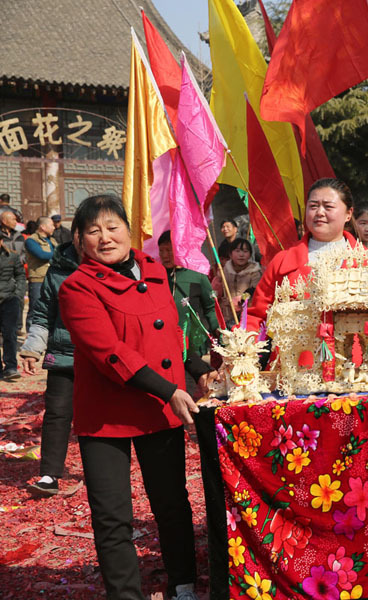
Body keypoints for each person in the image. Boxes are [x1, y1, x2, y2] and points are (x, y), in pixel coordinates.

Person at [58, 195, 212, 600]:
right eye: (93, 231)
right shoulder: (77, 288)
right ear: (80, 240)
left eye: (113, 227)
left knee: (171, 503)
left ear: (130, 229)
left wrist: (199, 369)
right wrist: (171, 390)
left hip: (159, 408)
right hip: (108, 414)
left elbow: (172, 338)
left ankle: (183, 584)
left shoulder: (157, 272)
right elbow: (111, 353)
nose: (105, 238)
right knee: (113, 517)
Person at [247, 178, 358, 333]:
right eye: (313, 206)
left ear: (348, 213)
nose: (319, 212)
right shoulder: (282, 262)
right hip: (294, 356)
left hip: (354, 354)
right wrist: (242, 344)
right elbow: (257, 316)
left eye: (328, 206)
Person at [19, 238, 80, 496]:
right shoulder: (57, 272)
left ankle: (101, 471)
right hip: (62, 355)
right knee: (56, 414)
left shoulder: (115, 270)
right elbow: (43, 313)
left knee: (100, 417)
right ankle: (49, 475)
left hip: (102, 359)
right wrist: (32, 349)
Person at [157, 231, 220, 365]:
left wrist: (219, 330)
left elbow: (210, 308)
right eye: (161, 251)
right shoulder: (156, 277)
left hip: (191, 342)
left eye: (169, 250)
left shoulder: (197, 276)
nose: (164, 255)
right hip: (163, 342)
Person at [212, 237, 263, 317]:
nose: (241, 255)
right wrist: (218, 279)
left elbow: (256, 293)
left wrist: (239, 299)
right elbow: (217, 293)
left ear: (250, 255)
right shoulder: (225, 269)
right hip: (227, 314)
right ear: (230, 254)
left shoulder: (255, 272)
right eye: (237, 251)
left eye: (245, 251)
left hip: (246, 314)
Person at [23, 216, 58, 329]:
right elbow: (41, 255)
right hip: (38, 279)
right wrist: (58, 255)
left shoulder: (52, 240)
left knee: (52, 307)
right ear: (43, 227)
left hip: (52, 277)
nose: (54, 227)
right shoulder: (31, 240)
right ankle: (30, 335)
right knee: (35, 308)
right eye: (51, 225)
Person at [0, 232, 25, 380]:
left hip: (10, 299)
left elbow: (20, 275)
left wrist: (18, 294)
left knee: (10, 334)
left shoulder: (12, 256)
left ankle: (10, 367)